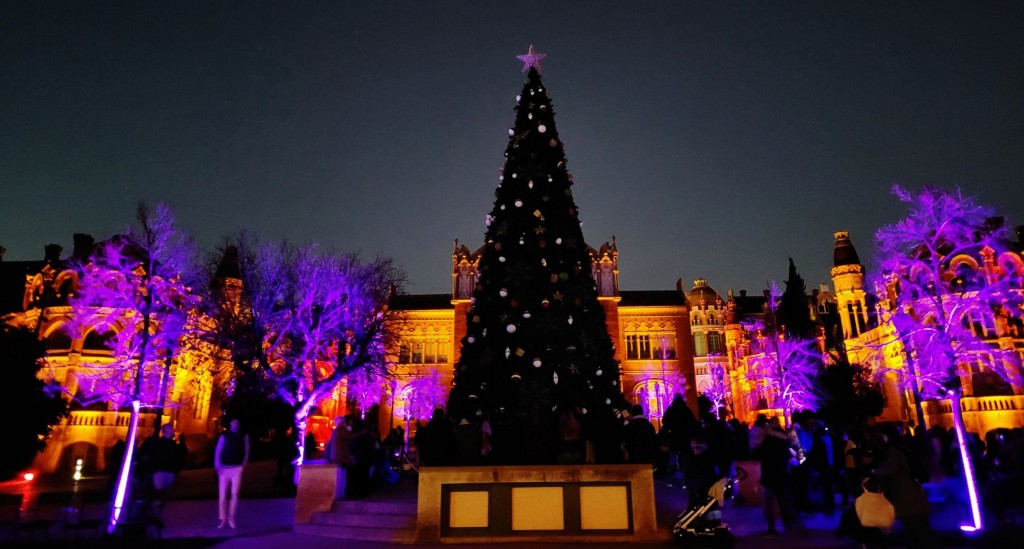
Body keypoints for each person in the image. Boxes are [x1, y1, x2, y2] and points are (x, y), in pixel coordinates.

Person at [214, 418, 249, 529]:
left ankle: (231, 517)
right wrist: (217, 465)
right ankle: (222, 518)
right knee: (222, 495)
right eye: (233, 422)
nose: (235, 424)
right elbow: (218, 450)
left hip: (237, 468)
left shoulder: (244, 436)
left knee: (234, 494)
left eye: (237, 422)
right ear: (230, 423)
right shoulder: (224, 436)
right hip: (224, 468)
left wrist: (243, 463)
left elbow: (247, 450)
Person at [325, 415, 355, 499]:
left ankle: (338, 493)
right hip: (341, 456)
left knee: (338, 475)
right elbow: (352, 436)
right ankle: (340, 494)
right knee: (341, 476)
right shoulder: (343, 430)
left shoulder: (336, 431)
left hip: (335, 456)